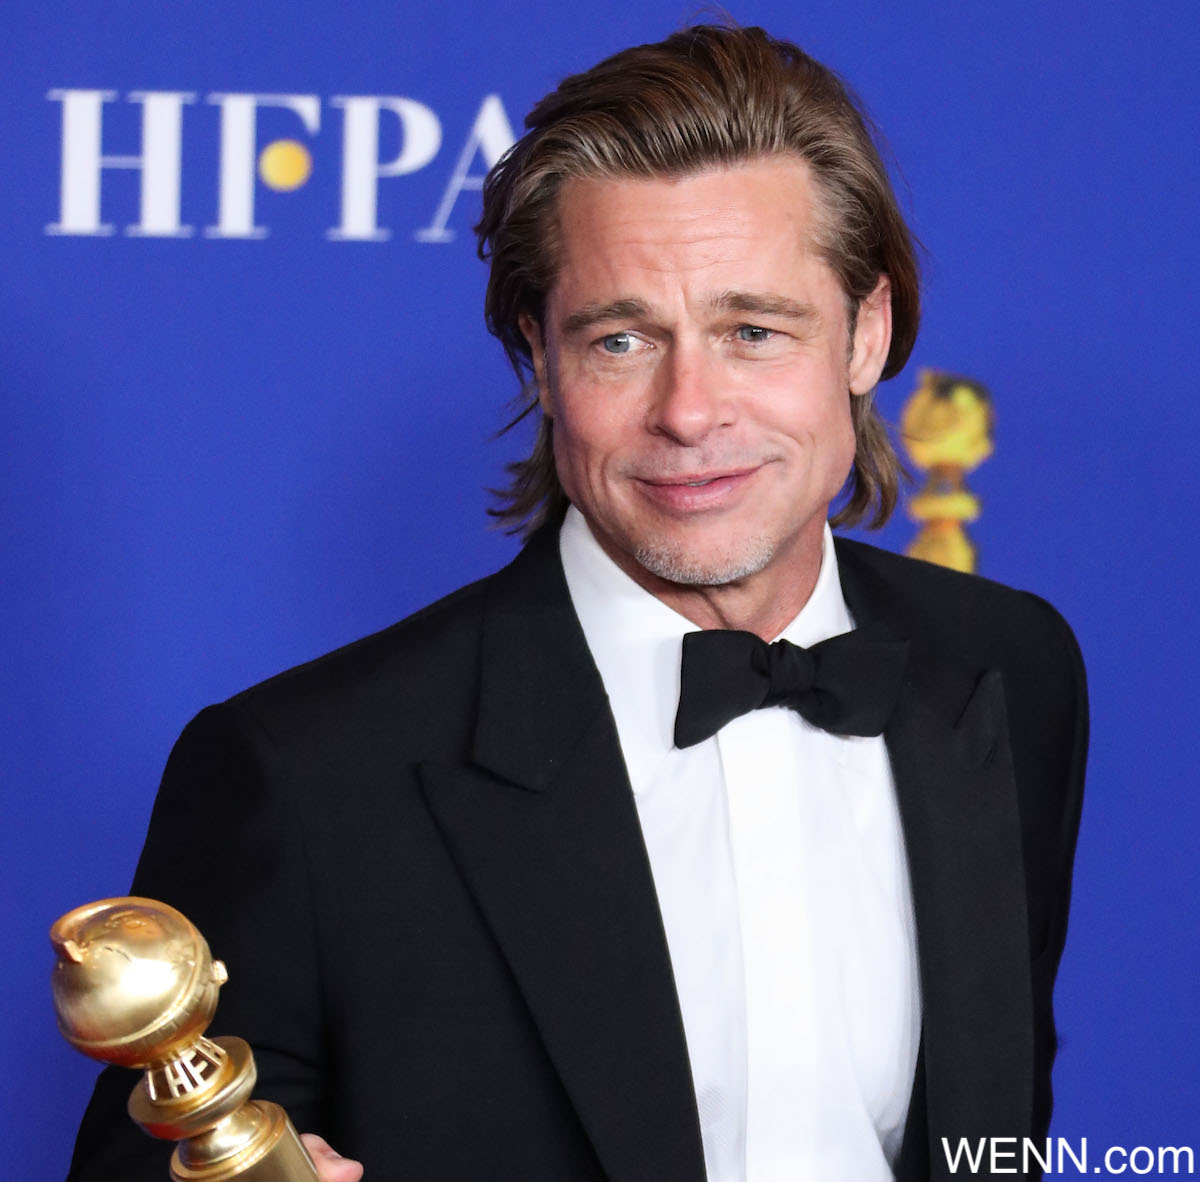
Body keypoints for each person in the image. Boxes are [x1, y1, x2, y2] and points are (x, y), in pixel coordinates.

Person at [66, 24, 1087, 1182]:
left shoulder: (1009, 668)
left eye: (753, 332)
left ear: (867, 333)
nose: (690, 410)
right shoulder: (302, 776)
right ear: (537, 358)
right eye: (620, 339)